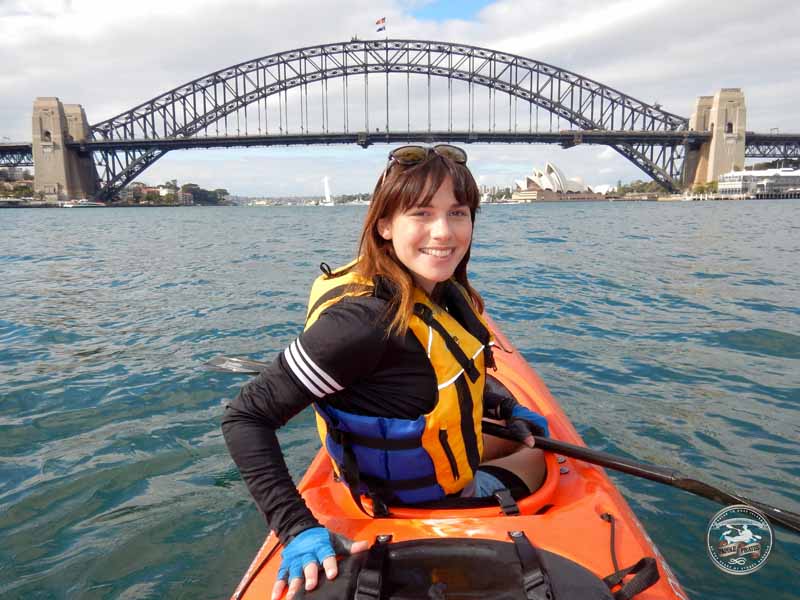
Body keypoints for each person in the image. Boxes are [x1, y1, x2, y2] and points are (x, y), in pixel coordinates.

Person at [222, 145, 550, 600]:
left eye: (458, 212)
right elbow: (245, 417)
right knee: (538, 458)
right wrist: (295, 527)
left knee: (517, 435)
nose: (444, 231)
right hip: (414, 499)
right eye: (421, 213)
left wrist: (503, 405)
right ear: (384, 225)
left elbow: (454, 369)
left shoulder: (436, 291)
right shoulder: (361, 323)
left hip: (408, 460)